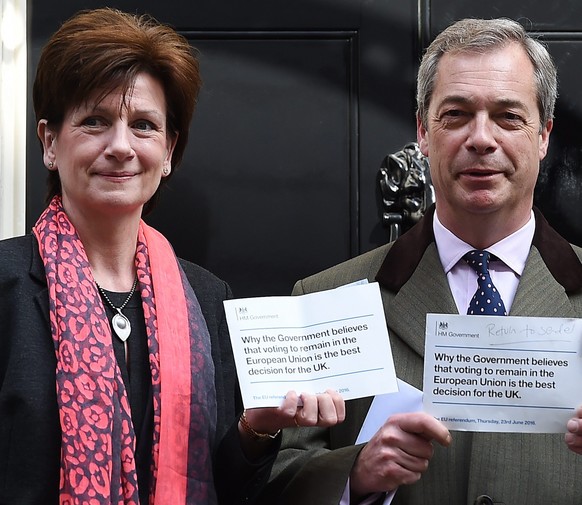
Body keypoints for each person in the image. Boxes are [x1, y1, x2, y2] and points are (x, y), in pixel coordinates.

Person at [0, 8, 345, 504]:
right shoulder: (7, 285)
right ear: (50, 142)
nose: (120, 146)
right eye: (94, 121)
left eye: (143, 125)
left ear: (168, 151)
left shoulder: (206, 300)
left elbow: (226, 488)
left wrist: (258, 430)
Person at [257, 17, 582, 505]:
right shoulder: (325, 299)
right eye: (455, 114)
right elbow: (273, 480)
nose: (481, 138)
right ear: (423, 134)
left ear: (544, 136)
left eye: (508, 116)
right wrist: (355, 475)